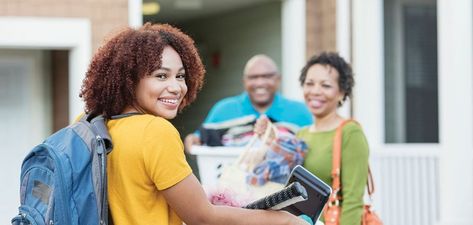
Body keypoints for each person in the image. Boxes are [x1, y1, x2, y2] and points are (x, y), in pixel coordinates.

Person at [79, 23, 311, 225]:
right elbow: (202, 217)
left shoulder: (90, 124)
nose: (176, 87)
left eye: (180, 76)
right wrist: (284, 220)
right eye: (161, 75)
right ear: (129, 80)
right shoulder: (155, 131)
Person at [256, 52, 369, 225]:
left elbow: (353, 201)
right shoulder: (301, 134)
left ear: (342, 92)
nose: (315, 91)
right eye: (309, 84)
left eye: (326, 85)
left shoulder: (350, 133)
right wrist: (271, 141)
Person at [184, 54, 313, 151]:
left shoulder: (300, 112)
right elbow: (199, 139)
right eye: (253, 77)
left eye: (267, 76)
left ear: (278, 79)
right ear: (244, 81)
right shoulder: (224, 109)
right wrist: (192, 140)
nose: (260, 83)